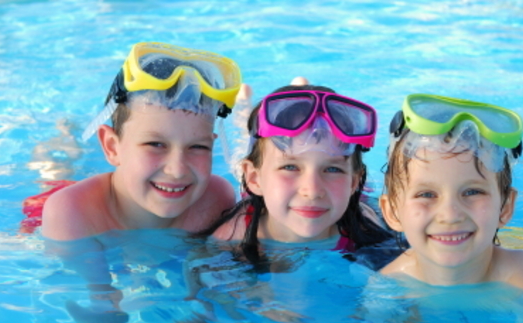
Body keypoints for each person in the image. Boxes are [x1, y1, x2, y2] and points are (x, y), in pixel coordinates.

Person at [41, 42, 241, 240]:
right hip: (46, 213)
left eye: (198, 146)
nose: (177, 170)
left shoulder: (216, 200)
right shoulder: (74, 213)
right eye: (155, 144)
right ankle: (62, 146)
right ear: (112, 147)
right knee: (53, 182)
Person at [196, 84, 394, 266]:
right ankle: (243, 107)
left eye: (333, 169)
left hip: (352, 199)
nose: (312, 191)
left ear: (353, 183)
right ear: (255, 179)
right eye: (290, 167)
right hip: (260, 199)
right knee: (241, 149)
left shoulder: (364, 227)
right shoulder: (236, 235)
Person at [378, 94, 523, 292]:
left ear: (505, 207)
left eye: (473, 192)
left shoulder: (519, 274)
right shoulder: (390, 284)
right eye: (426, 194)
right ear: (392, 212)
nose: (450, 215)